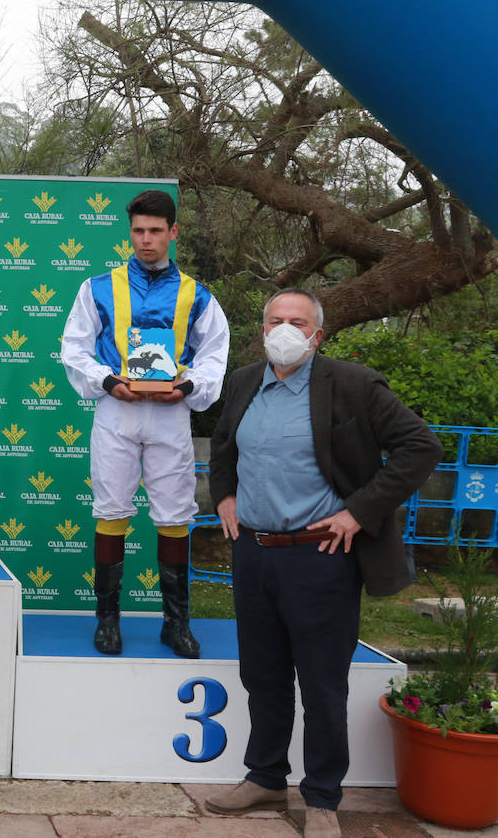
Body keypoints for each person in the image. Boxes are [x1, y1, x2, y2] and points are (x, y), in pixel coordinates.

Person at [206, 289, 441, 838]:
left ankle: (322, 798)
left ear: (318, 334)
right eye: (276, 320)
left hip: (321, 559)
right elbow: (222, 448)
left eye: (298, 322)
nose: (285, 330)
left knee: (321, 683)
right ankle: (264, 775)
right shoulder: (243, 382)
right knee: (261, 676)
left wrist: (359, 511)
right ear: (262, 328)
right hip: (254, 555)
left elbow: (419, 446)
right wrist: (224, 496)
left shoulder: (353, 384)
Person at [59, 189, 229, 658]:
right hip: (118, 409)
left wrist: (189, 387)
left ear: (173, 232)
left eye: (156, 231)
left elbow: (215, 354)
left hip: (171, 413)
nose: (146, 240)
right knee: (110, 510)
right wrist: (107, 380)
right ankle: (107, 621)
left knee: (176, 513)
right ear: (129, 232)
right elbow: (73, 348)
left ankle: (175, 624)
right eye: (138, 231)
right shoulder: (96, 287)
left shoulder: (197, 294)